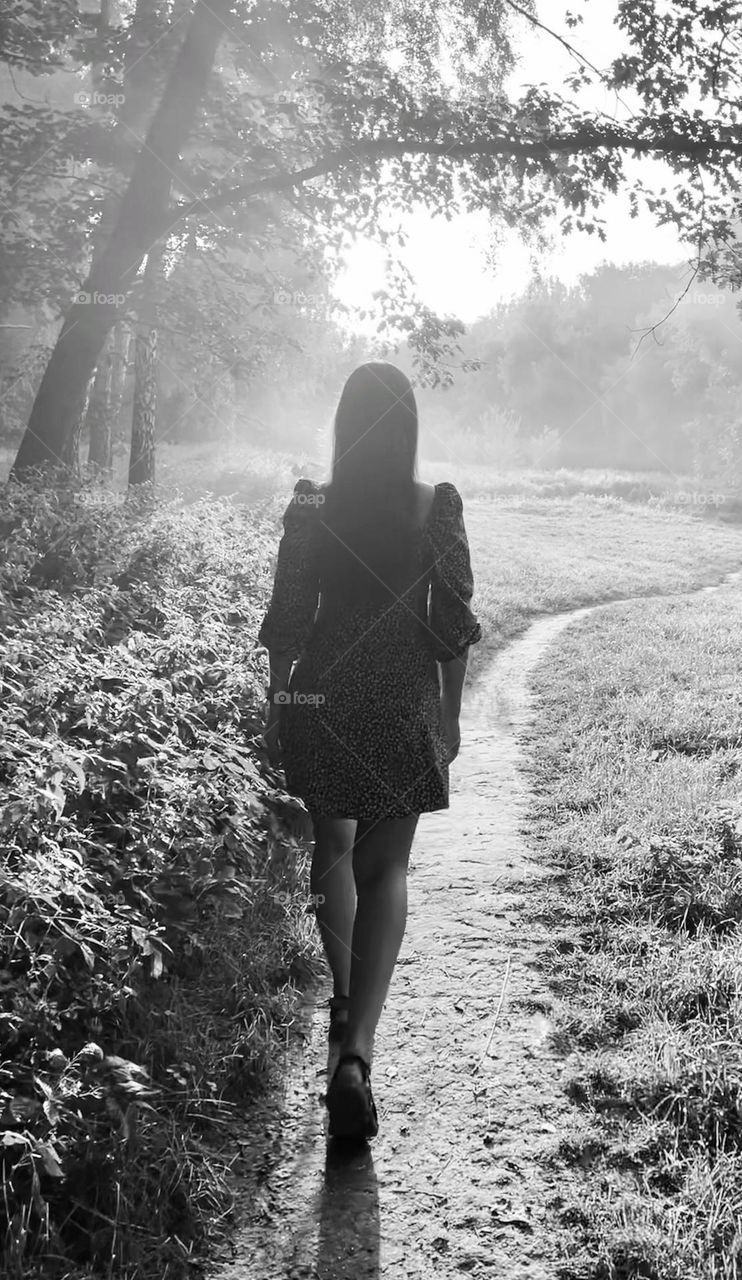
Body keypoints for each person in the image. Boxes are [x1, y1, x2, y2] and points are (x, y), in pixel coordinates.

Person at [258, 361, 481, 1140]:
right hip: (400, 702)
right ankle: (357, 1051)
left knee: (330, 854)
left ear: (343, 427)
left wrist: (281, 701)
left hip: (324, 699)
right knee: (385, 869)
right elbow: (450, 627)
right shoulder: (435, 505)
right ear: (409, 426)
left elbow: (288, 617)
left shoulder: (312, 506)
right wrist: (448, 721)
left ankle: (345, 999)